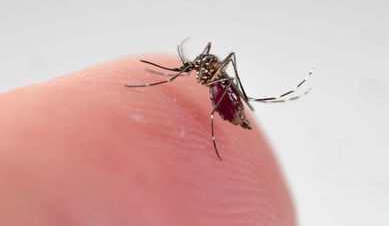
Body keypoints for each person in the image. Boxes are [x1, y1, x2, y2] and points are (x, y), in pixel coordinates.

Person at [0, 56, 295, 225]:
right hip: (221, 90)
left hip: (224, 97)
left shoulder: (208, 75)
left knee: (219, 66)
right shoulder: (200, 70)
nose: (186, 72)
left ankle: (243, 102)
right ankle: (240, 102)